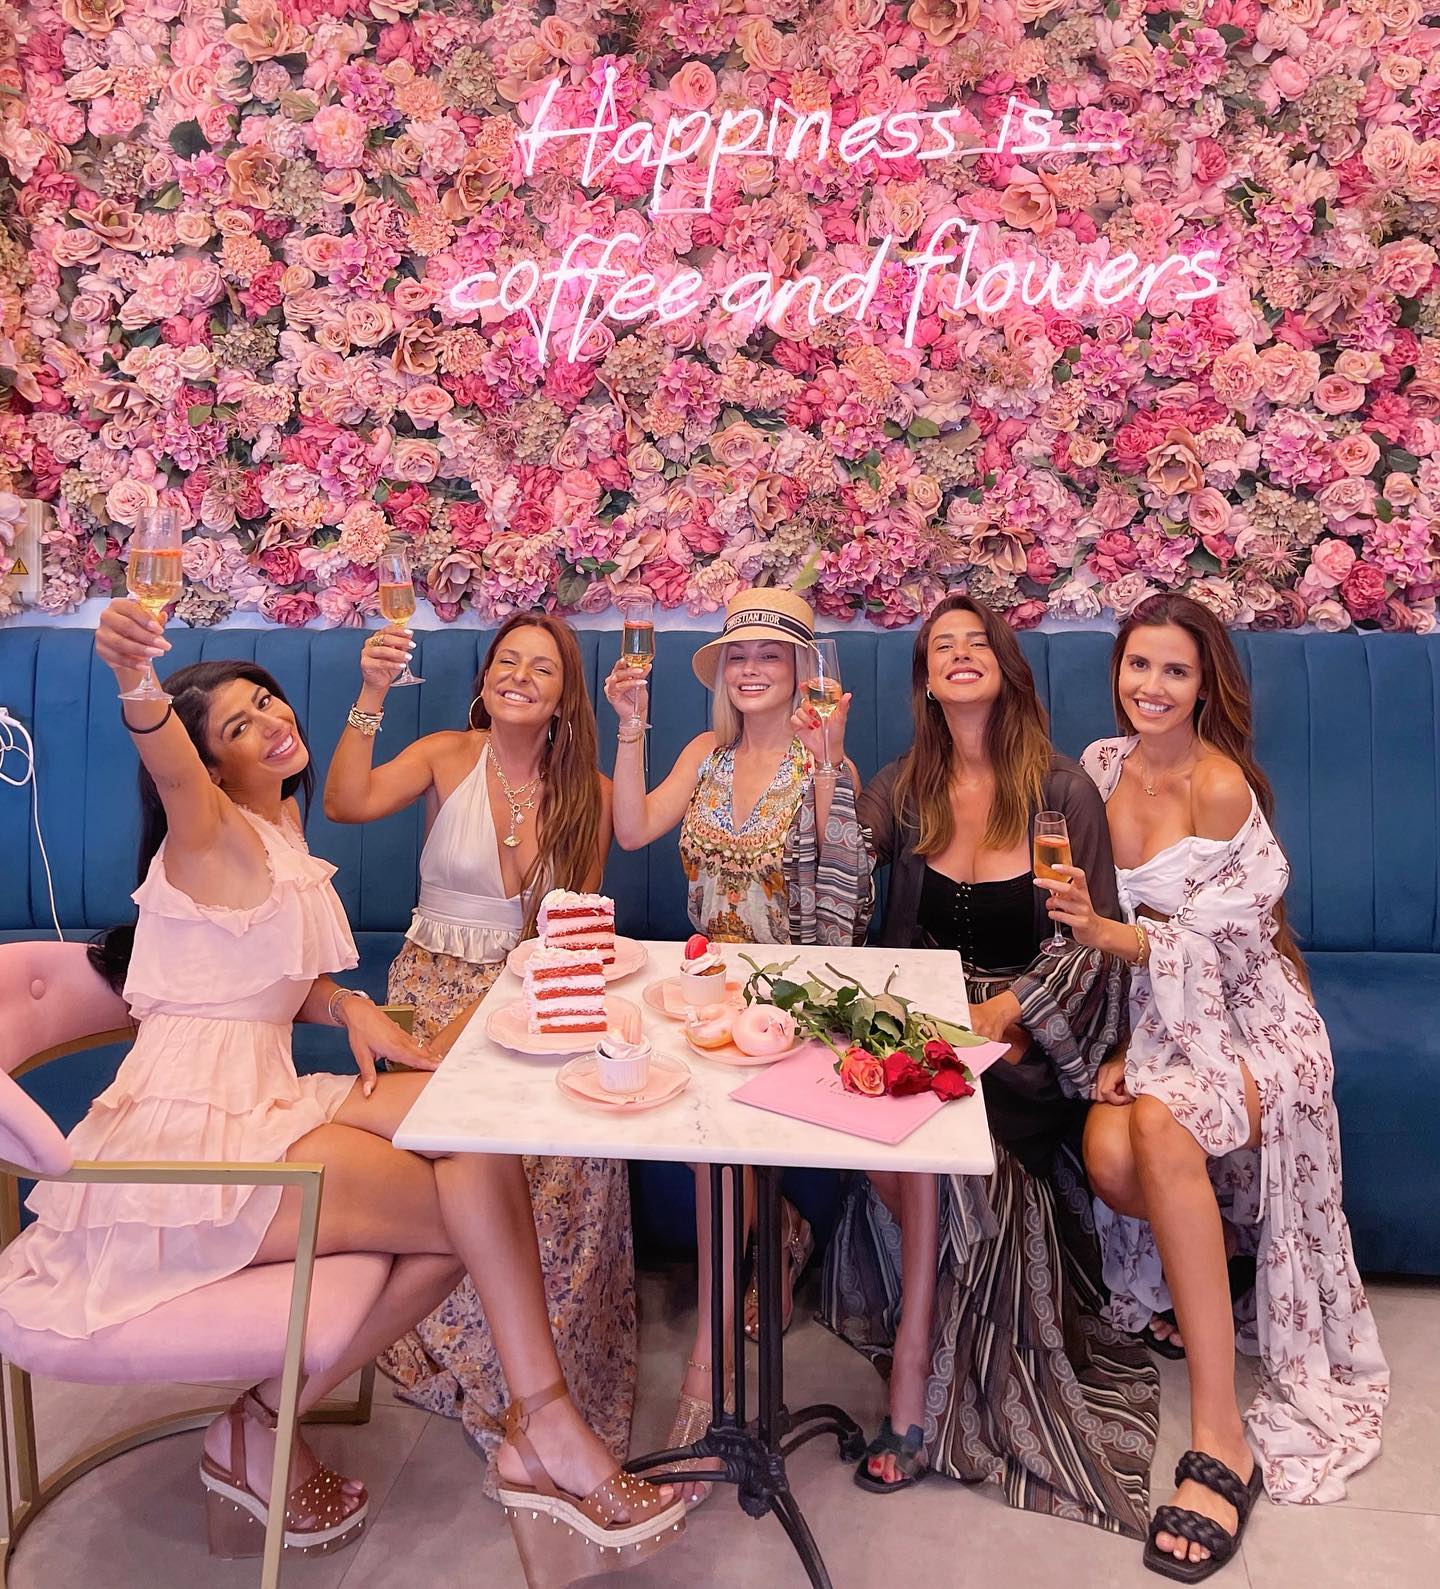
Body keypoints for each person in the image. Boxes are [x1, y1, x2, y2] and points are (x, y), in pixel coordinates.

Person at [0, 598, 682, 1585]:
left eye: (268, 700)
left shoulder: (276, 824)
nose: (274, 719)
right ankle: (539, 1428)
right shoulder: (205, 820)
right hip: (198, 1145)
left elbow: (262, 966)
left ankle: (366, 1423)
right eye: (239, 725)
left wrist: (346, 1004)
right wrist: (134, 677)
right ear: (209, 763)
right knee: (467, 1213)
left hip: (265, 1092)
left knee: (472, 1127)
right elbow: (164, 756)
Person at [1047, 593, 1387, 1579]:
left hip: (1254, 1022)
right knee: (1110, 1158)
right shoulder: (1100, 765)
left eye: (1175, 670)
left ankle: (1220, 1436)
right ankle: (1223, 1264)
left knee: (1155, 1127)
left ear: (1206, 686)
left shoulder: (1220, 785)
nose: (1151, 686)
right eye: (1138, 664)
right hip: (1157, 1016)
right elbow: (1097, 927)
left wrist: (1109, 935)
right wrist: (1119, 1030)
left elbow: (1227, 953)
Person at [820, 594, 1158, 1539]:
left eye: (979, 642)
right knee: (883, 1120)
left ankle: (915, 1371)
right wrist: (826, 768)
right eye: (943, 646)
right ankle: (926, 1347)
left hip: (1019, 1045)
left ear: (1008, 669)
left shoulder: (1062, 791)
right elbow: (841, 882)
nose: (961, 654)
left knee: (944, 1154)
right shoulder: (904, 784)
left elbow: (1089, 940)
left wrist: (1006, 1014)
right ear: (927, 681)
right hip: (920, 1024)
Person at [323, 614, 637, 1492]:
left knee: (570, 1164)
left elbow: (566, 937)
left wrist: (490, 1014)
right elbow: (344, 803)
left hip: (529, 998)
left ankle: (547, 1391)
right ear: (485, 677)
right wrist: (372, 691)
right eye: (507, 661)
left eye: (542, 667)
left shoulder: (590, 792)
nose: (520, 676)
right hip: (424, 991)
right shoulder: (443, 755)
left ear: (564, 696)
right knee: (452, 1154)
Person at [602, 587, 873, 1499]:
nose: (752, 669)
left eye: (771, 655)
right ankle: (781, 1229)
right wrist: (630, 727)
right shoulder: (703, 755)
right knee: (690, 1134)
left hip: (792, 1000)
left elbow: (848, 886)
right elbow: (632, 828)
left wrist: (831, 769)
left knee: (720, 1160)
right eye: (739, 656)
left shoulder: (822, 758)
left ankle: (707, 1373)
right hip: (702, 989)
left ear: (802, 671)